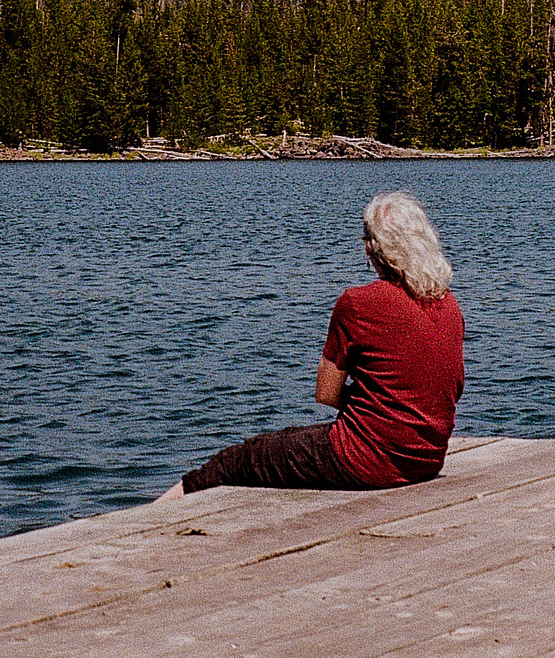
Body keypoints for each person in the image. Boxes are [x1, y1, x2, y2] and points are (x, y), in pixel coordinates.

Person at [160, 189, 465, 499]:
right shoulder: (448, 305)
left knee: (238, 460)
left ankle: (154, 517)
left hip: (363, 461)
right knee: (286, 443)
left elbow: (326, 393)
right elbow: (446, 390)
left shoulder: (358, 304)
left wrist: (376, 410)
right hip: (425, 460)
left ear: (372, 250)